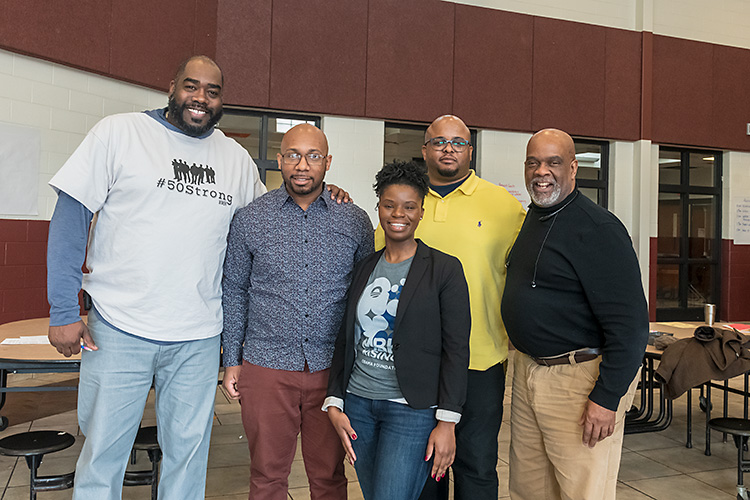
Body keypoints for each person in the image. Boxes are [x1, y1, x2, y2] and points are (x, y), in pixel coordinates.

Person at [45, 55, 348, 500]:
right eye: (192, 86)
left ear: (222, 99)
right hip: (119, 327)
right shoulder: (120, 133)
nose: (200, 98)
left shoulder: (234, 158)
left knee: (188, 459)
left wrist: (328, 192)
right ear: (173, 87)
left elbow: (274, 218)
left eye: (212, 91)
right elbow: (71, 217)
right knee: (103, 455)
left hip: (199, 336)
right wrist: (62, 308)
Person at [375, 115, 525, 500]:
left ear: (470, 151)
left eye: (458, 142)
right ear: (424, 150)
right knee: (424, 471)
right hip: (415, 364)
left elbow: (531, 271)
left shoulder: (503, 206)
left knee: (475, 465)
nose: (448, 149)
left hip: (480, 359)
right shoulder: (404, 205)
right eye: (439, 141)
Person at [221, 123, 374, 500]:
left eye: (313, 156)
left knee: (329, 476)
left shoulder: (354, 220)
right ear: (279, 159)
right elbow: (235, 290)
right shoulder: (250, 219)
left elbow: (364, 294)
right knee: (267, 475)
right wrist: (231, 359)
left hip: (332, 369)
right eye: (293, 155)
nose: (302, 165)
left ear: (328, 162)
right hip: (266, 365)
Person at [501, 128, 649, 500]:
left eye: (553, 162)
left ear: (573, 167)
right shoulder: (534, 219)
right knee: (529, 488)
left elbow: (630, 326)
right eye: (533, 162)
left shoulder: (599, 229)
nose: (541, 171)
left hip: (578, 381)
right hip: (529, 372)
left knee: (582, 491)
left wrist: (607, 397)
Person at [325, 160, 471, 500]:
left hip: (411, 410)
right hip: (359, 405)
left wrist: (447, 422)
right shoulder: (365, 267)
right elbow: (346, 338)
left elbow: (456, 349)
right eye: (389, 205)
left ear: (421, 211)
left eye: (408, 206)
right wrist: (335, 400)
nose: (398, 214)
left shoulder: (444, 270)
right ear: (379, 207)